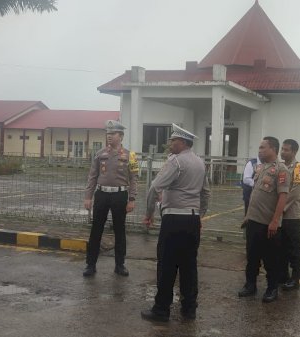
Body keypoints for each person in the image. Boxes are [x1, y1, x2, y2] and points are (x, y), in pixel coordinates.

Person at [140, 124, 210, 323]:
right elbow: (205, 193)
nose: (170, 143)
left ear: (183, 143)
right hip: (192, 220)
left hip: (174, 221)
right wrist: (199, 215)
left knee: (167, 264)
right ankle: (189, 308)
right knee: (189, 265)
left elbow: (155, 188)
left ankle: (161, 309)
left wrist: (149, 213)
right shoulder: (199, 162)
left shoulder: (176, 162)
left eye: (173, 140)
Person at [83, 120, 139, 277]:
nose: (109, 136)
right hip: (101, 195)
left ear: (120, 136)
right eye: (107, 133)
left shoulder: (131, 156)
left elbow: (134, 179)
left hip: (120, 195)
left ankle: (120, 265)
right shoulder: (100, 154)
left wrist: (132, 199)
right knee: (96, 230)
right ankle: (90, 264)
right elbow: (92, 176)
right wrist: (88, 196)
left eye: (112, 134)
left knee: (120, 230)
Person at [238, 136, 290, 303]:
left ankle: (271, 288)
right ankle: (250, 285)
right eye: (259, 148)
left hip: (268, 224)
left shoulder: (281, 170)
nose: (259, 151)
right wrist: (248, 216)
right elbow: (255, 195)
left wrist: (275, 221)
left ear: (273, 149)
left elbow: (283, 197)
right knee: (252, 256)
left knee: (271, 259)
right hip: (253, 221)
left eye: (262, 148)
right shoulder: (260, 168)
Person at [280, 139, 300, 290]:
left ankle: (295, 279)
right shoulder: (279, 166)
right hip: (279, 215)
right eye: (282, 149)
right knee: (280, 247)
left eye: (286, 150)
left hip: (291, 215)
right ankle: (282, 276)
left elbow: (295, 192)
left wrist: (281, 208)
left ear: (294, 152)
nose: (283, 152)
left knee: (294, 248)